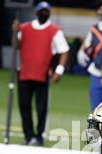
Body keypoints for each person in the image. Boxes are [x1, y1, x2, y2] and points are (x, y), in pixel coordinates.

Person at [15, 1, 69, 146]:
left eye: (46, 11)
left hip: (42, 74)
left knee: (41, 108)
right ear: (36, 12)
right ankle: (28, 135)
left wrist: (59, 70)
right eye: (42, 11)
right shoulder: (24, 28)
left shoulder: (54, 30)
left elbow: (64, 50)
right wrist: (15, 32)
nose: (44, 13)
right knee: (24, 106)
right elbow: (16, 45)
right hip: (24, 72)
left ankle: (39, 135)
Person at [77, 0, 102, 111]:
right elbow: (86, 46)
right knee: (96, 107)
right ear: (98, 12)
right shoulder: (93, 29)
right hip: (97, 71)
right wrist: (82, 53)